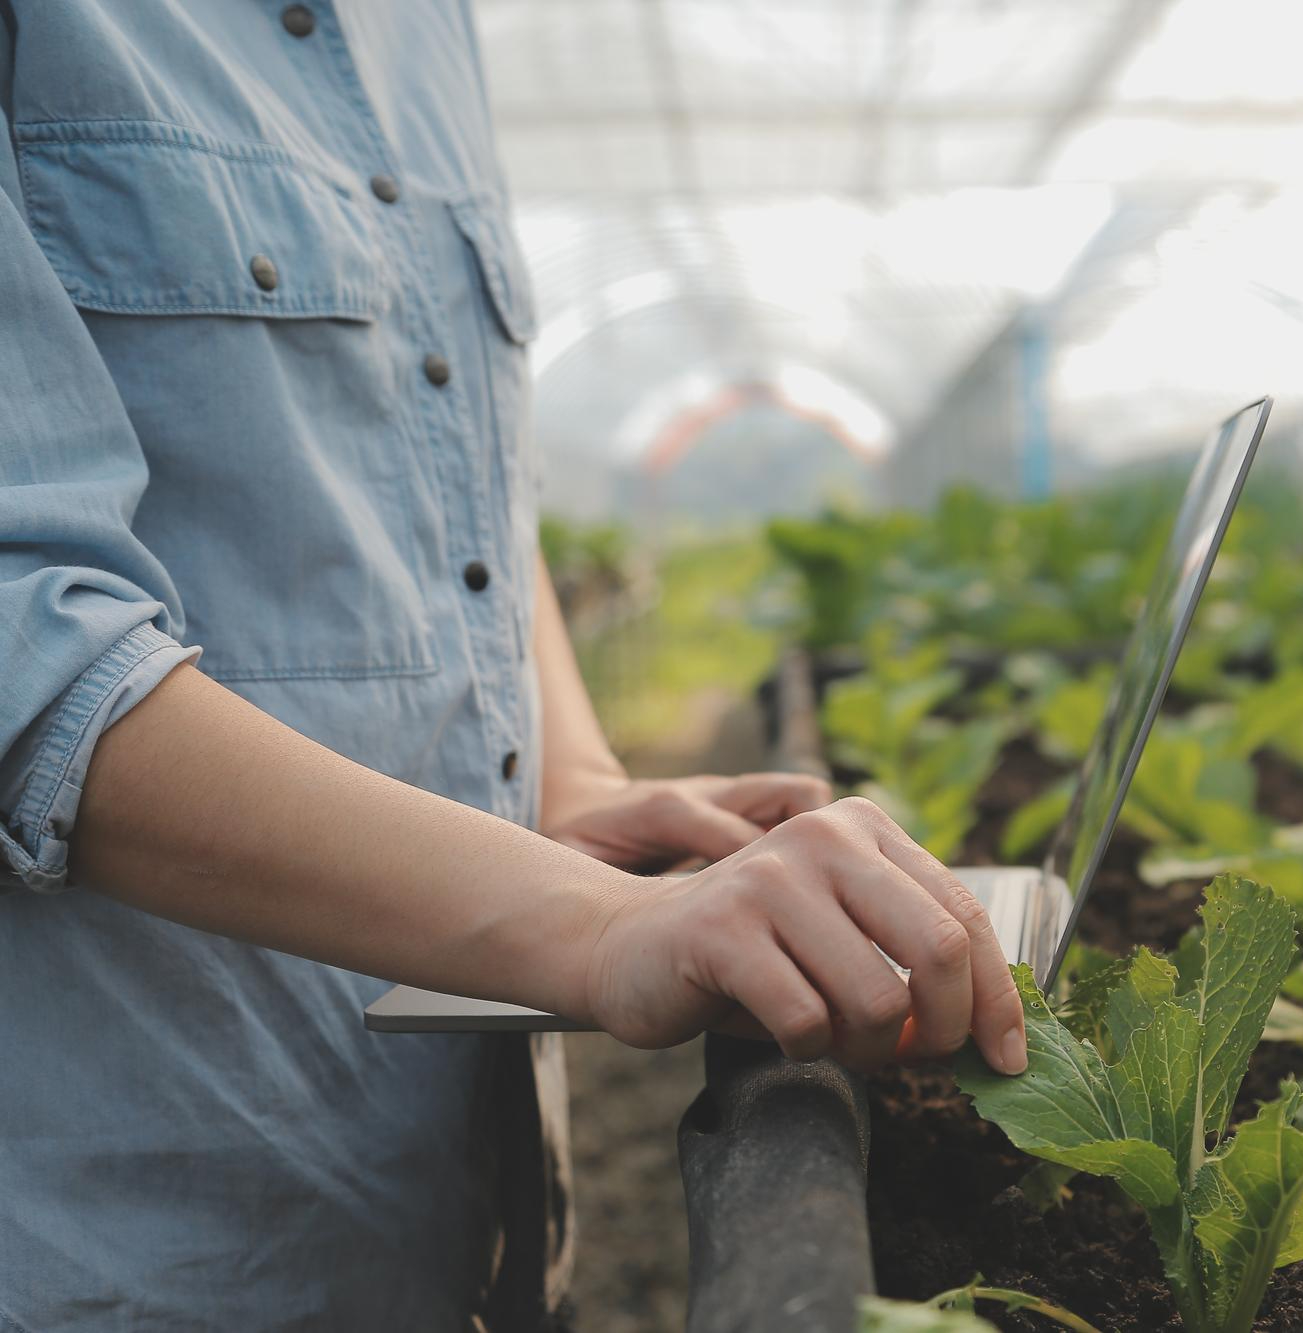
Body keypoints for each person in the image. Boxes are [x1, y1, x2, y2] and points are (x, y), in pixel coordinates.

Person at [0, 4, 1026, 1330]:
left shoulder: (424, 26)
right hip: (149, 1232)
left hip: (453, 1198)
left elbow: (466, 462)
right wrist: (600, 926)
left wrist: (570, 781)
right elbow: (29, 643)